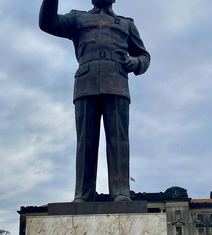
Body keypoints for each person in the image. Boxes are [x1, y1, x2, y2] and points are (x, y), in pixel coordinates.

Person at [39, 0, 150, 202]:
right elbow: (48, 23)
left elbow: (144, 55)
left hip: (116, 82)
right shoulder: (77, 18)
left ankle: (120, 191)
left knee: (119, 141)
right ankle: (83, 193)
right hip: (86, 82)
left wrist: (135, 62)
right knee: (85, 142)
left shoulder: (127, 24)